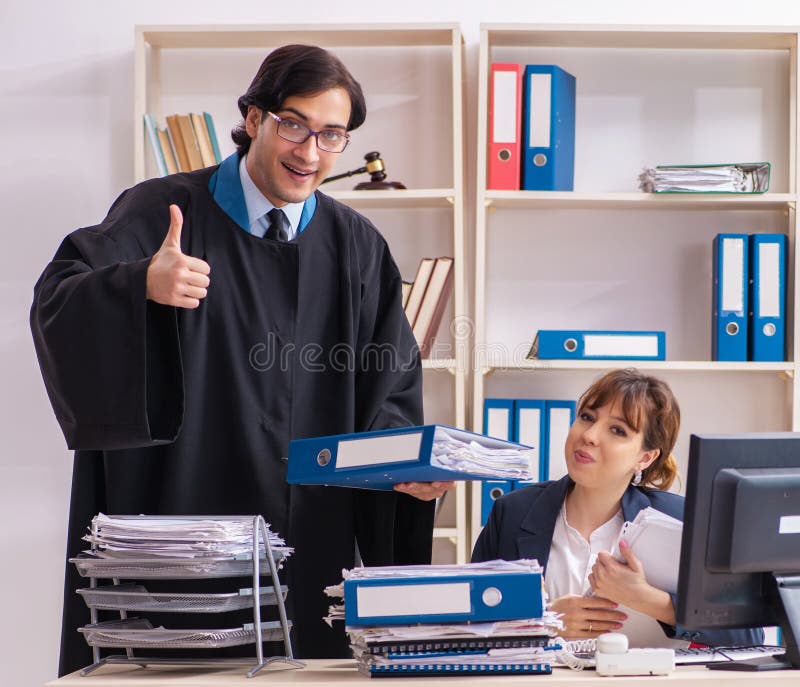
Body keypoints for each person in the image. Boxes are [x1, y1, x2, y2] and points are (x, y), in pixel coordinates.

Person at [31, 44, 452, 676]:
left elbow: (389, 388)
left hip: (310, 535)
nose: (309, 152)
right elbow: (58, 295)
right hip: (181, 528)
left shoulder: (357, 248)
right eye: (293, 124)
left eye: (331, 135)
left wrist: (403, 470)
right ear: (253, 118)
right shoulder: (162, 211)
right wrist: (138, 284)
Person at [472, 368, 761, 648]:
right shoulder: (512, 512)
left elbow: (748, 634)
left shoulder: (683, 521)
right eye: (586, 417)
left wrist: (650, 600)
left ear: (645, 458)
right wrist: (545, 622)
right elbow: (466, 625)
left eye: (617, 430)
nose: (590, 435)